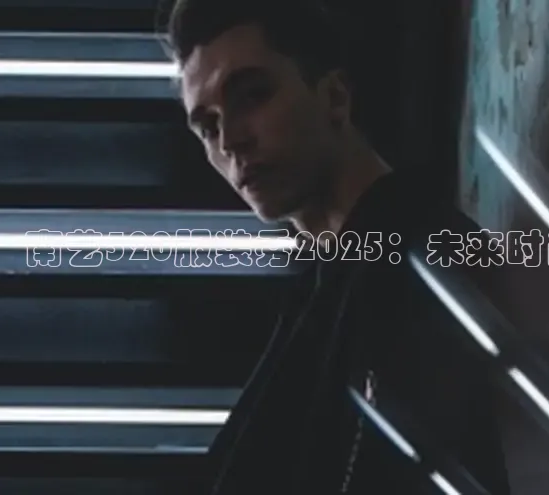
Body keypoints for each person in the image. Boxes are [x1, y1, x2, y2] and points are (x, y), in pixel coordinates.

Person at [164, 0, 511, 493]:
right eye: (208, 126)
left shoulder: (422, 261)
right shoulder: (325, 285)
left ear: (334, 97)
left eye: (252, 95)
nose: (230, 141)